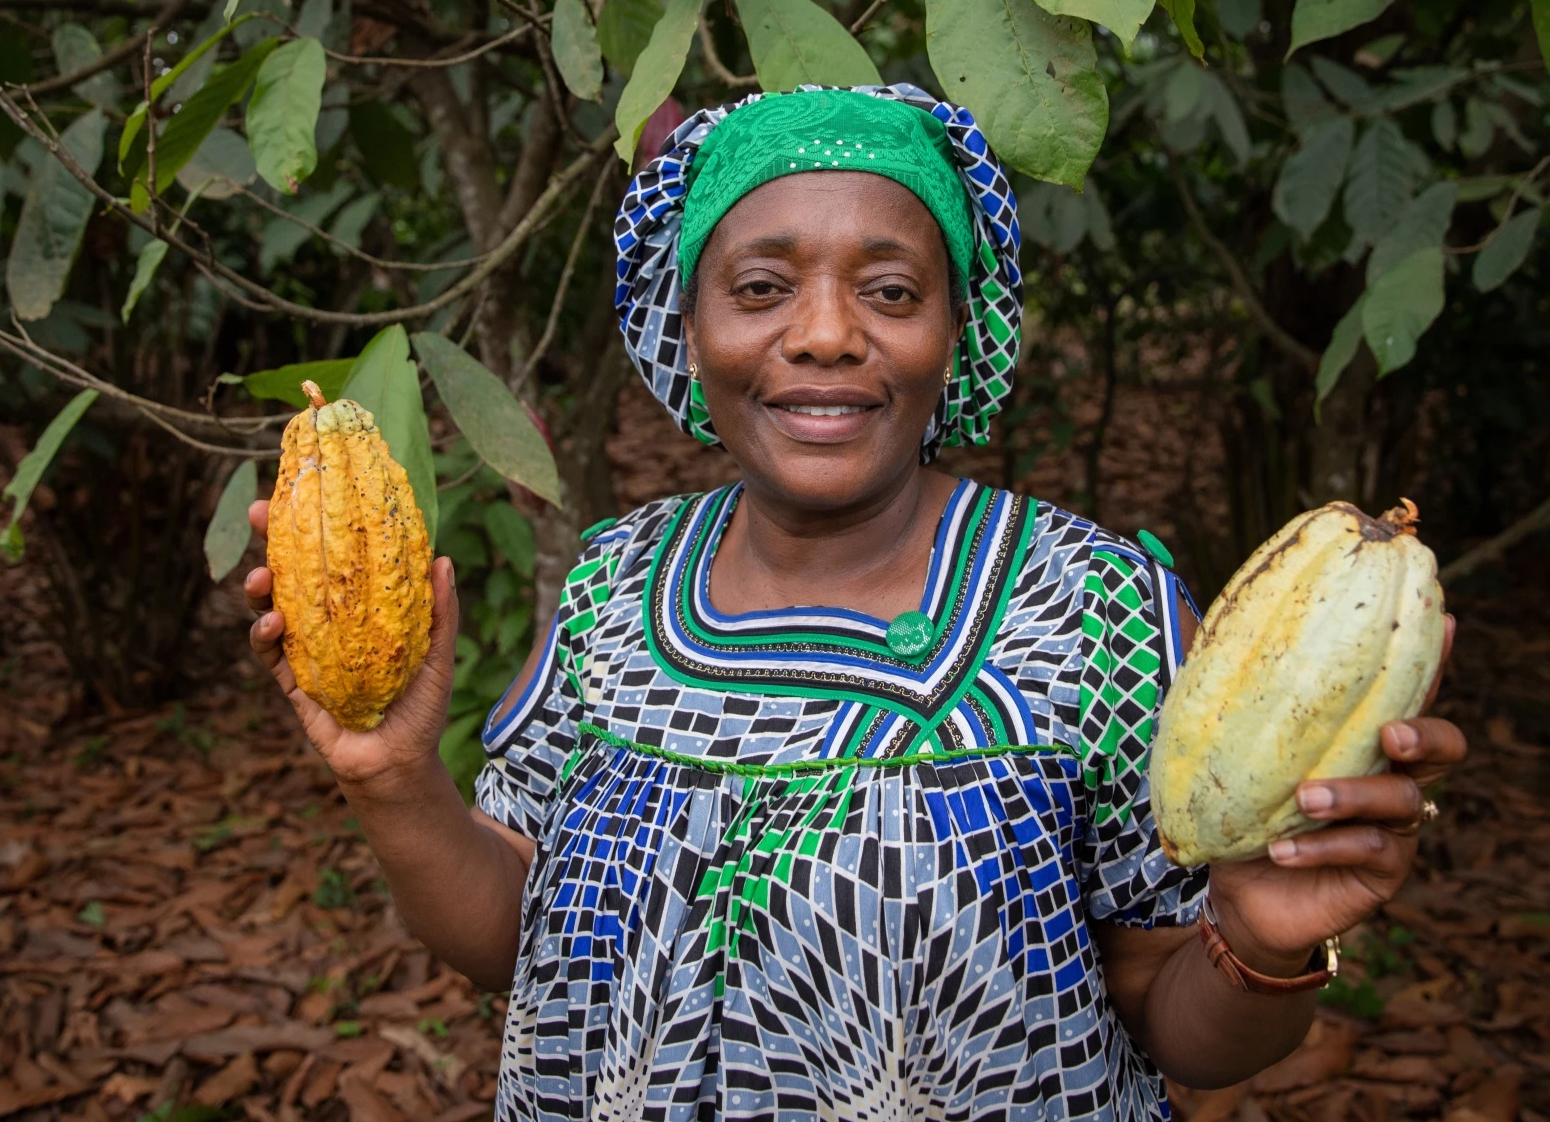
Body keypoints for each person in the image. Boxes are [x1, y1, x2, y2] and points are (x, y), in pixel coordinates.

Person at [243, 86, 1465, 1121]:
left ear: (954, 330)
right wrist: (395, 783)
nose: (825, 335)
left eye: (889, 292)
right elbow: (524, 944)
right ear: (689, 327)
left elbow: (1179, 1030)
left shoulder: (1094, 606)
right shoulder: (616, 581)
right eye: (762, 286)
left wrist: (1258, 939)